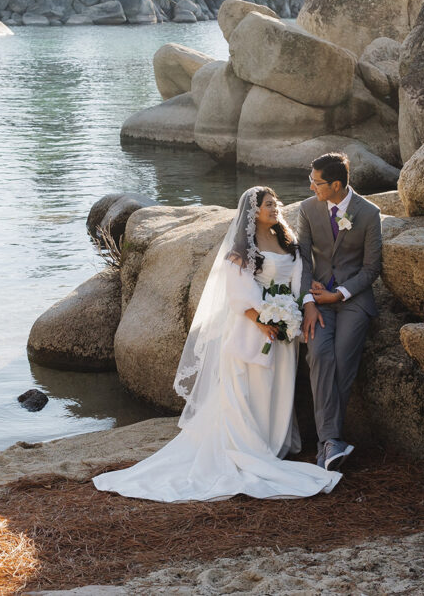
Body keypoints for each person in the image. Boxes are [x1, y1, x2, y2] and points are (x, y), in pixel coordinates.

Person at [93, 187, 341, 502]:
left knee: (276, 387)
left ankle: (272, 444)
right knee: (250, 388)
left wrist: (292, 310)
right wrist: (263, 318)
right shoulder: (240, 250)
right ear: (254, 213)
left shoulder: (287, 241)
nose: (275, 208)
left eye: (275, 203)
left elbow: (298, 277)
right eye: (268, 205)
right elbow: (237, 292)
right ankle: (250, 448)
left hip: (283, 330)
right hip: (254, 329)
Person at [298, 153, 383, 472]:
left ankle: (326, 443)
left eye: (316, 182)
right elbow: (304, 261)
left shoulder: (369, 213)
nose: (310, 187)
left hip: (353, 298)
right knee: (319, 354)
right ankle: (332, 442)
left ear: (335, 185)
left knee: (344, 357)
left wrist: (340, 294)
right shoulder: (307, 210)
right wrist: (308, 301)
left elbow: (372, 267)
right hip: (317, 298)